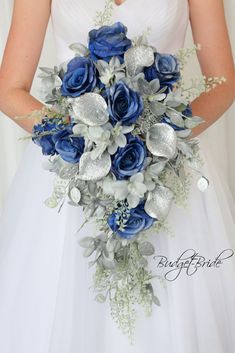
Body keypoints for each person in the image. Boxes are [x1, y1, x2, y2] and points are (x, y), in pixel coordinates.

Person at [0, 0, 235, 352]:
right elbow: (10, 89)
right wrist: (80, 141)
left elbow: (224, 83)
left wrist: (161, 135)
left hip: (167, 164)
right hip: (74, 173)